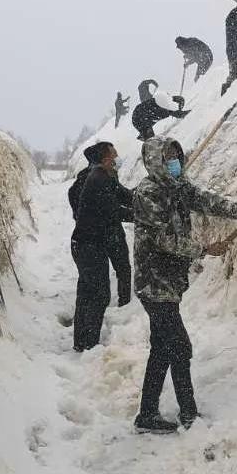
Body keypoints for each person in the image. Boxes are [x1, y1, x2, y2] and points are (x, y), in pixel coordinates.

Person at [131, 136, 237, 432]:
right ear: (156, 161)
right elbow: (160, 239)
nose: (176, 162)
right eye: (169, 157)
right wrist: (203, 249)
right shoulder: (149, 192)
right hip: (154, 281)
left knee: (163, 347)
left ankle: (148, 414)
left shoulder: (177, 186)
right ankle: (187, 413)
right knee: (179, 346)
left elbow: (205, 200)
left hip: (169, 280)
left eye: (178, 156)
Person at [70, 141, 133, 351]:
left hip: (92, 241)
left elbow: (126, 195)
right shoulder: (96, 179)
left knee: (89, 292)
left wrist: (146, 198)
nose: (116, 160)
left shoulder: (106, 176)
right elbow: (115, 211)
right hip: (89, 244)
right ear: (105, 159)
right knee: (97, 294)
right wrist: (146, 215)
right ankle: (88, 344)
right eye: (114, 156)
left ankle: (82, 342)